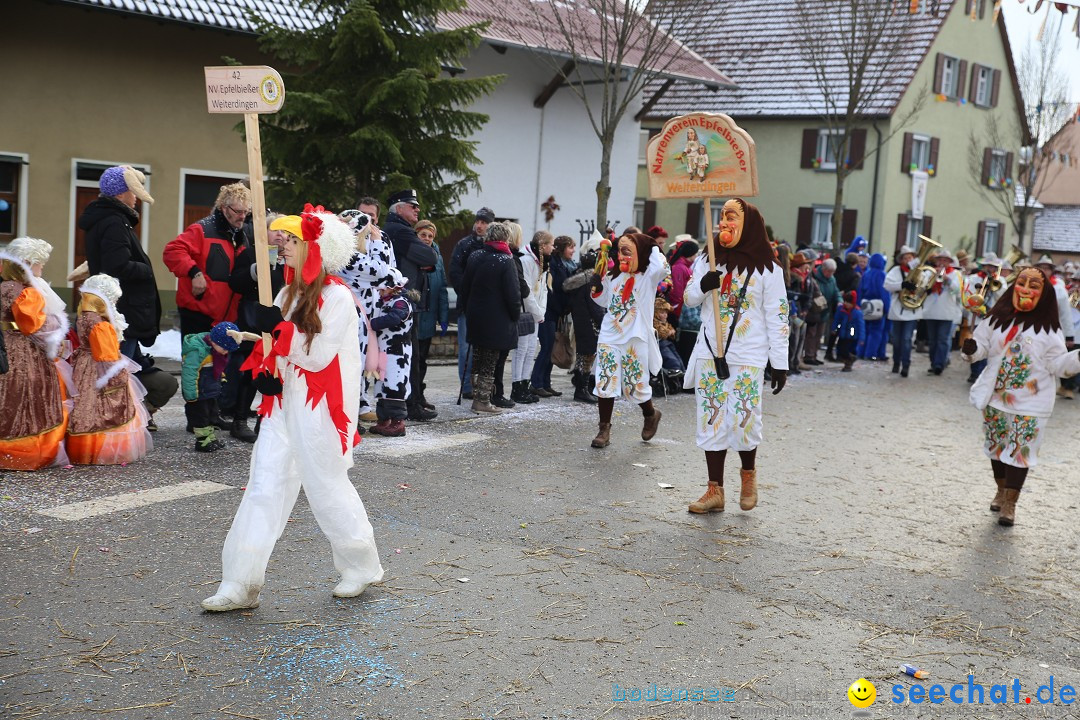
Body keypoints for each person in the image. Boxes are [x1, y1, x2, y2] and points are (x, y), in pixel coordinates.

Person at [203, 206, 383, 611]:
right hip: (282, 403)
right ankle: (240, 582)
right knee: (264, 486)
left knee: (325, 487)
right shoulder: (285, 293)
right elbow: (279, 350)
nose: (282, 245)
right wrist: (268, 370)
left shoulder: (337, 298)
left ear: (317, 249)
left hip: (319, 407)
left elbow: (317, 356)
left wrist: (280, 331)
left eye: (293, 241)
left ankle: (361, 565)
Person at [683, 199, 788, 514]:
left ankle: (748, 476)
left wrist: (780, 363)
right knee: (712, 418)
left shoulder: (770, 269)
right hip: (709, 353)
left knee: (743, 419)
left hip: (748, 355)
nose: (725, 224)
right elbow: (688, 298)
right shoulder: (708, 258)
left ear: (749, 225)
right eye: (722, 217)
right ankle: (715, 490)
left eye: (732, 217)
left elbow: (778, 318)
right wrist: (703, 286)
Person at [960, 267, 1080, 526]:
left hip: (1032, 402)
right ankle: (1001, 492)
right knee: (997, 449)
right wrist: (971, 348)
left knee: (1020, 452)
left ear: (1043, 294)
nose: (1026, 289)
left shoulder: (1049, 332)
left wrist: (1077, 357)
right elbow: (981, 346)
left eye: (1034, 285)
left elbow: (1058, 365)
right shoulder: (995, 320)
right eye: (1022, 283)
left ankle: (1010, 505)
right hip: (996, 398)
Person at [78, 165, 176, 427]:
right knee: (121, 371)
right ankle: (120, 423)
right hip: (126, 311)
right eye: (133, 191)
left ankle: (125, 419)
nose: (136, 197)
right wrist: (145, 269)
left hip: (122, 308)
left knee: (120, 368)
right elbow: (116, 266)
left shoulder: (108, 220)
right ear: (122, 193)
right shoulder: (113, 222)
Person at [588, 232, 668, 448]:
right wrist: (597, 286)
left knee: (635, 385)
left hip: (636, 335)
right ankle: (604, 428)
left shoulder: (648, 276)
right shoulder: (613, 275)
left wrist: (650, 246)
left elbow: (661, 267)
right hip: (610, 335)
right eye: (620, 251)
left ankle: (650, 414)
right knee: (605, 380)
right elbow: (603, 300)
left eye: (627, 251)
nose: (622, 256)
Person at [66, 274, 153, 465]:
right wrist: (119, 374)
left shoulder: (83, 316)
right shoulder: (99, 323)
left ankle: (82, 447)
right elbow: (106, 356)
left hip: (83, 365)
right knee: (103, 408)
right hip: (98, 368)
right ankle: (103, 450)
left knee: (83, 406)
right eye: (112, 299)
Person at [0, 238, 71, 471]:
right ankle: (22, 451)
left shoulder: (3, 287)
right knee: (26, 396)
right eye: (40, 264)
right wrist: (57, 332)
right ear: (28, 264)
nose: (42, 269)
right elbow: (33, 326)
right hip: (22, 348)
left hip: (4, 344)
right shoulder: (26, 292)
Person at [226, 213, 288, 442]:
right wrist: (255, 270)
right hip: (253, 320)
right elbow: (234, 282)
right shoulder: (252, 253)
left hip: (280, 321)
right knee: (250, 371)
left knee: (277, 371)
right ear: (265, 232)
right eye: (275, 230)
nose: (280, 236)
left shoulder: (291, 259)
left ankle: (267, 419)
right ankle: (239, 420)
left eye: (284, 231)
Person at [381, 189, 439, 421]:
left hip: (404, 300)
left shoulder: (399, 230)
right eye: (411, 205)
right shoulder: (400, 231)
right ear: (398, 207)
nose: (417, 209)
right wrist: (425, 258)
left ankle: (409, 404)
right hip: (401, 302)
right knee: (406, 357)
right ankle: (409, 406)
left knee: (408, 356)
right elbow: (430, 258)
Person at [164, 182, 251, 336]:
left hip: (226, 321)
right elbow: (172, 251)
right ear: (224, 208)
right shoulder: (202, 229)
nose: (242, 216)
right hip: (197, 315)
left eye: (246, 211)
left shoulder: (241, 236)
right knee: (197, 359)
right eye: (238, 211)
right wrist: (194, 273)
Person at [337, 208, 397, 423]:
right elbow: (381, 271)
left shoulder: (352, 255)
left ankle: (358, 406)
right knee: (353, 364)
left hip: (364, 315)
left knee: (362, 363)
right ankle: (350, 412)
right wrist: (379, 241)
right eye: (368, 234)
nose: (372, 236)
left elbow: (391, 274)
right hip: (352, 316)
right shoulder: (348, 256)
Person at [458, 222, 522, 414]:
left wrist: (466, 309)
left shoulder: (475, 256)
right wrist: (515, 315)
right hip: (498, 319)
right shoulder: (505, 260)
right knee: (490, 361)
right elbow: (513, 293)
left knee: (478, 357)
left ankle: (477, 396)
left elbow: (465, 286)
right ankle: (483, 401)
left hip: (476, 316)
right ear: (505, 239)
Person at [449, 207, 495, 399]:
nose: (479, 225)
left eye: (484, 222)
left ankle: (483, 384)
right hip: (467, 304)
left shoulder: (493, 247)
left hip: (486, 306)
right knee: (465, 347)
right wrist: (468, 293)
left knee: (485, 348)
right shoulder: (464, 245)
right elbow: (455, 272)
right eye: (478, 221)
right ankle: (466, 385)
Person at [181, 321, 240, 452]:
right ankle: (202, 441)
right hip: (199, 392)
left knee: (212, 414)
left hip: (211, 389)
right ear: (214, 341)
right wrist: (191, 394)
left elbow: (218, 368)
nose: (225, 352)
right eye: (224, 349)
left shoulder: (216, 351)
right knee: (201, 417)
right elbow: (189, 373)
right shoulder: (197, 351)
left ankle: (210, 437)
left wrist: (222, 378)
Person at [368, 281, 416, 437]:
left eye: (383, 288)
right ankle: (384, 419)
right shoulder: (384, 301)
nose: (379, 291)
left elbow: (394, 318)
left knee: (395, 384)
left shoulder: (401, 302)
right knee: (382, 384)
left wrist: (371, 323)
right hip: (384, 351)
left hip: (397, 352)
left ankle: (398, 422)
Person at [413, 219, 449, 414]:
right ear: (416, 234)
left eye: (430, 236)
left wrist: (443, 317)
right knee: (413, 360)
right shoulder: (412, 253)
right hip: (414, 316)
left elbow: (442, 288)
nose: (426, 239)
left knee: (422, 360)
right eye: (423, 235)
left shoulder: (437, 256)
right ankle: (412, 397)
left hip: (429, 316)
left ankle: (419, 395)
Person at [563, 241, 605, 404]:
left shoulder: (577, 278)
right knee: (587, 357)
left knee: (582, 356)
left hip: (580, 322)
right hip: (589, 324)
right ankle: (582, 390)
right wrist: (603, 322)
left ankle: (582, 388)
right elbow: (595, 305)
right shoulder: (591, 282)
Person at [512, 229, 549, 405]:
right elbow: (526, 291)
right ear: (542, 246)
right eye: (551, 244)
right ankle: (516, 386)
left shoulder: (544, 263)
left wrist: (541, 312)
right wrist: (536, 311)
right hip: (525, 312)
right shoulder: (526, 261)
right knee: (521, 350)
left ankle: (525, 384)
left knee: (531, 351)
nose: (553, 247)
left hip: (536, 314)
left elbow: (543, 291)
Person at [530, 234, 570, 397]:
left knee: (550, 348)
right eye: (570, 247)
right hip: (548, 312)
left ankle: (545, 382)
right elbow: (552, 289)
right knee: (546, 347)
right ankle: (536, 382)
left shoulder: (559, 263)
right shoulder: (552, 264)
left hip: (555, 311)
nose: (553, 247)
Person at [960, 252, 1004, 383]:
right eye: (988, 266)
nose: (990, 269)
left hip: (993, 318)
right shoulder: (974, 278)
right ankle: (974, 372)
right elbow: (968, 295)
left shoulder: (1000, 281)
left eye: (992, 267)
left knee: (988, 346)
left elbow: (1003, 296)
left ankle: (982, 373)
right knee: (975, 344)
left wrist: (994, 286)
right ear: (983, 267)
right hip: (977, 316)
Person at [883, 245, 923, 377]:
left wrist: (916, 287)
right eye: (905, 258)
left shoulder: (919, 271)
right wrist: (902, 285)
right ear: (901, 260)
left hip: (911, 311)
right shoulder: (895, 270)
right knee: (896, 339)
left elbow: (925, 286)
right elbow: (887, 285)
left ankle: (906, 364)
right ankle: (896, 362)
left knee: (906, 339)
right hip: (897, 310)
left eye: (910, 257)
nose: (907, 260)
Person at [921, 249, 962, 375]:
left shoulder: (955, 274)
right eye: (940, 259)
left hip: (946, 312)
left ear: (949, 262)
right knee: (932, 341)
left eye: (945, 260)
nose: (942, 262)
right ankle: (933, 363)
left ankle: (939, 364)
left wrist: (947, 280)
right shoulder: (929, 272)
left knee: (943, 340)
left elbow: (958, 292)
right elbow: (922, 287)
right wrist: (933, 277)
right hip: (931, 311)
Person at [856, 253, 891, 361]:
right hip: (878, 306)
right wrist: (887, 308)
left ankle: (860, 352)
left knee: (864, 330)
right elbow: (884, 293)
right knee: (876, 331)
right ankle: (872, 353)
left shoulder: (866, 274)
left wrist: (858, 305)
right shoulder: (882, 275)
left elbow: (860, 290)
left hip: (866, 304)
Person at [666, 237, 698, 326]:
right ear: (691, 254)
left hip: (682, 306)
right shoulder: (680, 268)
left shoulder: (684, 267)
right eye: (695, 254)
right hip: (678, 308)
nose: (696, 256)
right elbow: (677, 290)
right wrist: (677, 307)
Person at [833, 290, 865, 372]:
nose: (846, 304)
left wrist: (861, 338)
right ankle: (847, 359)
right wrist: (835, 329)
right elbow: (837, 320)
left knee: (849, 349)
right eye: (845, 301)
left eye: (849, 302)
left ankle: (849, 363)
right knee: (840, 348)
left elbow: (861, 326)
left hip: (852, 334)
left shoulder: (857, 312)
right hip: (842, 333)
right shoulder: (841, 309)